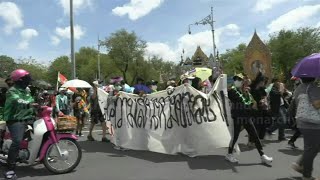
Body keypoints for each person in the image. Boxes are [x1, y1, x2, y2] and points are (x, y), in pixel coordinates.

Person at [225, 73, 273, 165]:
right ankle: (229, 154)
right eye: (236, 79)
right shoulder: (232, 91)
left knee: (255, 135)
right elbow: (242, 102)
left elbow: (251, 102)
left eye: (239, 80)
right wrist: (249, 102)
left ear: (243, 82)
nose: (237, 81)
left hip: (246, 116)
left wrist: (247, 95)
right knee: (235, 136)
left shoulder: (245, 91)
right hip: (237, 116)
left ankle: (262, 155)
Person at [3, 69, 36, 179]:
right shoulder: (11, 91)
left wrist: (37, 107)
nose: (28, 81)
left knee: (34, 136)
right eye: (26, 79)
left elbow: (30, 100)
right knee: (17, 141)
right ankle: (10, 169)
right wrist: (31, 104)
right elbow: (19, 101)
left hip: (26, 118)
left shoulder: (25, 91)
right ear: (20, 80)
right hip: (14, 120)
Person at [290, 77, 320, 180]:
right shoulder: (313, 87)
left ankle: (300, 164)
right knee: (311, 148)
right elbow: (316, 104)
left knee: (314, 147)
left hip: (302, 121)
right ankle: (306, 175)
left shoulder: (299, 88)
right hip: (313, 123)